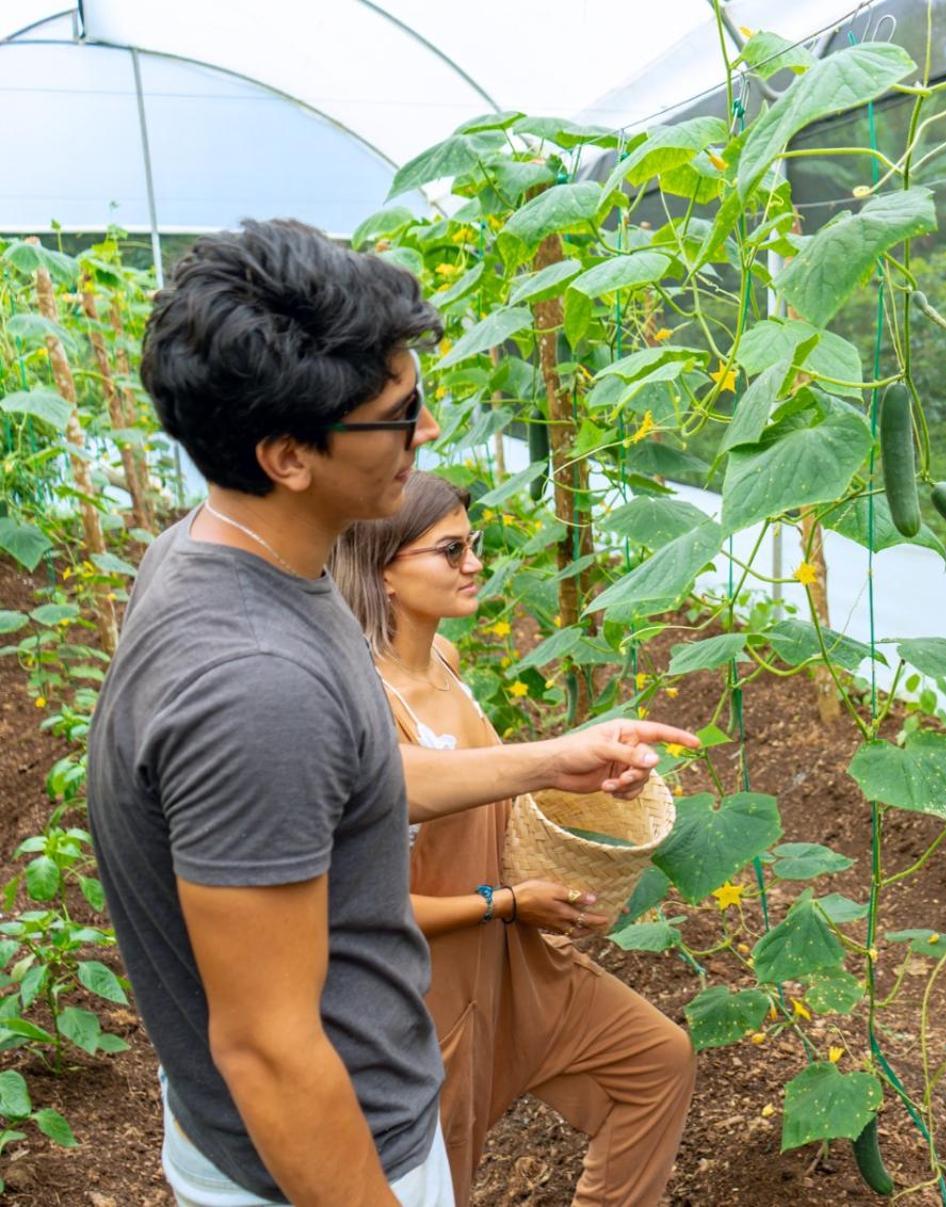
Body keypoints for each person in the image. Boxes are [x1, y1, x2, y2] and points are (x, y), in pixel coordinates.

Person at [86, 219, 698, 1207]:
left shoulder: (219, 553)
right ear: (289, 453)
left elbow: (336, 789)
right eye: (397, 415)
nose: (426, 434)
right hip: (326, 1153)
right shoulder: (258, 686)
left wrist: (548, 761)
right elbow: (272, 1049)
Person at [328, 472, 695, 1205]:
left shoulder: (445, 664)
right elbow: (359, 908)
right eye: (451, 548)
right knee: (441, 1176)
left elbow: (481, 790)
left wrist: (579, 785)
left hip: (517, 961)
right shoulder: (363, 704)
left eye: (476, 544)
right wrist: (503, 900)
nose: (474, 562)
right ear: (383, 573)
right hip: (431, 989)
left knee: (656, 1061)